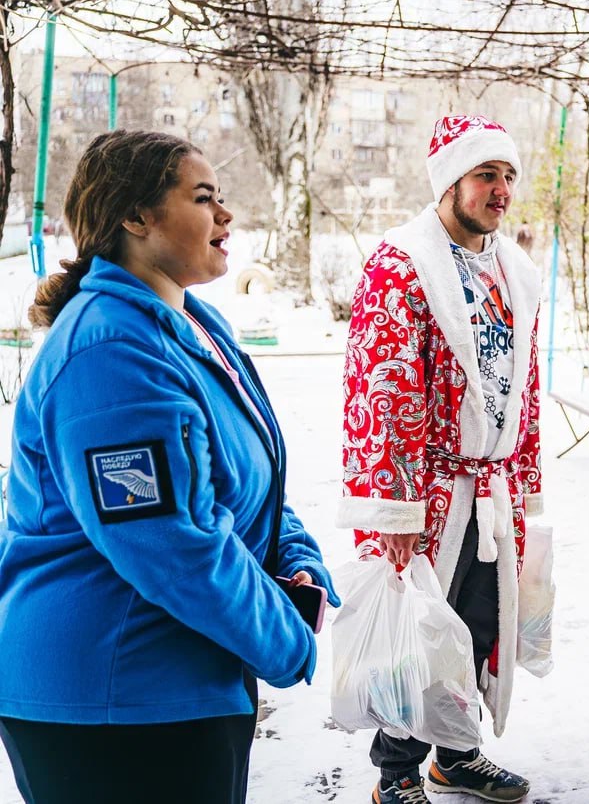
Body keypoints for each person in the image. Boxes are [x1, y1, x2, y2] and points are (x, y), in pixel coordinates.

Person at [0, 130, 339, 804]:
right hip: (110, 700)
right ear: (136, 216)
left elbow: (252, 477)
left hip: (184, 678)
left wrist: (299, 562)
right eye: (203, 197)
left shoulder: (192, 323)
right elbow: (169, 542)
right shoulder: (108, 351)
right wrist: (286, 638)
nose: (226, 215)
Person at [341, 114, 542, 804]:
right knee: (419, 633)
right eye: (487, 174)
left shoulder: (516, 271)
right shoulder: (401, 264)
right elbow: (383, 385)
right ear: (449, 180)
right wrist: (392, 506)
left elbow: (527, 385)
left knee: (479, 626)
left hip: (492, 486)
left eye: (509, 175)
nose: (501, 189)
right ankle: (396, 773)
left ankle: (456, 755)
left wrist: (528, 483)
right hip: (424, 492)